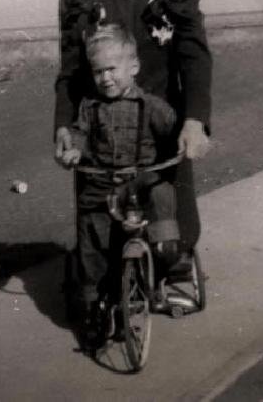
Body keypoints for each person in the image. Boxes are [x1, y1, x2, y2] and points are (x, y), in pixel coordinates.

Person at [54, 0, 212, 311]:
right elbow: (70, 74)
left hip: (160, 130)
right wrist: (65, 128)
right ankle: (108, 287)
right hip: (101, 134)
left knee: (169, 222)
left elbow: (194, 61)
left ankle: (173, 272)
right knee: (101, 226)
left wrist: (194, 120)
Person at [60, 21, 181, 342]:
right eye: (98, 72)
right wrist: (74, 148)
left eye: (112, 69)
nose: (105, 78)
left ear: (134, 68)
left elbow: (173, 127)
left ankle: (166, 249)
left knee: (160, 191)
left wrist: (187, 135)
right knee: (92, 235)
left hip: (139, 181)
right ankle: (95, 303)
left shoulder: (151, 106)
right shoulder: (91, 107)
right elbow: (80, 134)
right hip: (102, 183)